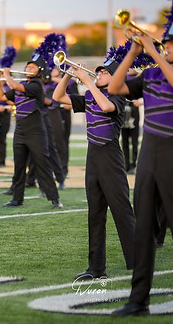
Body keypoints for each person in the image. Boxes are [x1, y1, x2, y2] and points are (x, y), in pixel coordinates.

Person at [109, 2, 173, 316]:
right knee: (144, 230)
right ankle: (138, 300)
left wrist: (154, 52)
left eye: (171, 44)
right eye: (167, 43)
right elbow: (115, 86)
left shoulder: (165, 70)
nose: (167, 47)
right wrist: (133, 53)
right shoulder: (150, 76)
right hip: (149, 158)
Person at [53, 50, 135, 279]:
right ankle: (96, 268)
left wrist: (88, 81)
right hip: (93, 157)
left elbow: (107, 107)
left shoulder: (118, 95)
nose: (99, 74)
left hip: (110, 157)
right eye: (98, 71)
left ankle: (139, 262)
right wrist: (68, 75)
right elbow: (58, 97)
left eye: (105, 72)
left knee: (122, 211)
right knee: (95, 214)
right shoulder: (91, 95)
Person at [0, 57, 63, 209]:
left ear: (39, 71)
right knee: (19, 167)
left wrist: (6, 74)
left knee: (43, 165)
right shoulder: (23, 85)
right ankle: (17, 199)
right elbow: (2, 97)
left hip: (36, 132)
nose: (29, 69)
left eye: (33, 67)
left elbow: (14, 85)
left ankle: (55, 198)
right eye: (28, 66)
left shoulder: (37, 84)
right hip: (20, 132)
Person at [121, 68, 142, 174]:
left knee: (134, 141)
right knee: (124, 141)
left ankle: (133, 164)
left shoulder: (141, 77)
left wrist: (140, 101)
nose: (132, 69)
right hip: (124, 111)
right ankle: (126, 165)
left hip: (134, 112)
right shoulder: (124, 78)